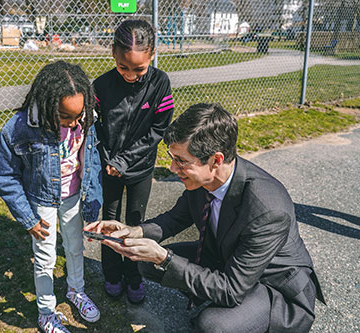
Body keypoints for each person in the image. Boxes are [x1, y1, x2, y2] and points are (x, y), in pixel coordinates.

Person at [86, 103, 325, 332]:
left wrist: (165, 258)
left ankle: (240, 317)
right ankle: (214, 299)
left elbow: (232, 289)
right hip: (226, 258)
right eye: (172, 157)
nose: (171, 168)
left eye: (180, 160)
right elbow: (174, 219)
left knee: (211, 325)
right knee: (146, 262)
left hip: (273, 286)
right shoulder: (203, 180)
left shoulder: (268, 209)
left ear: (216, 160)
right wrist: (132, 231)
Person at [0, 61, 103, 333]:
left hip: (75, 195)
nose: (75, 123)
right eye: (66, 117)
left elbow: (92, 157)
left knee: (76, 248)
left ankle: (76, 290)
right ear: (47, 104)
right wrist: (28, 218)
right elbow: (5, 175)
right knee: (45, 257)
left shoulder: (86, 118)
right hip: (42, 201)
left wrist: (93, 202)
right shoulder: (19, 128)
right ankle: (45, 311)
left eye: (79, 115)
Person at [93, 19, 174, 304]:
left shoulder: (160, 82)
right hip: (109, 168)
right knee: (110, 223)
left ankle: (134, 275)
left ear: (152, 54)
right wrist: (108, 160)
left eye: (138, 69)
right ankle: (113, 275)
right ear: (113, 53)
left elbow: (158, 130)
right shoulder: (100, 85)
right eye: (123, 67)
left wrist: (125, 161)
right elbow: (96, 128)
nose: (130, 75)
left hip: (140, 168)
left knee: (136, 222)